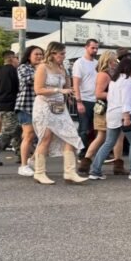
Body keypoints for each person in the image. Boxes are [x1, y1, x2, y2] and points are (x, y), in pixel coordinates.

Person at [32, 42, 88, 185]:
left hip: (60, 107)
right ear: (52, 53)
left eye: (64, 53)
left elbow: (67, 87)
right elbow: (38, 90)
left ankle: (70, 172)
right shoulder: (42, 67)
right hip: (44, 105)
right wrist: (58, 90)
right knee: (46, 138)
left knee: (71, 136)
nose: (64, 56)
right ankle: (39, 173)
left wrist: (71, 93)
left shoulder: (62, 68)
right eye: (61, 53)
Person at [89, 56, 131, 180]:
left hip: (112, 113)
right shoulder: (126, 80)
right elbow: (125, 99)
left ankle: (95, 170)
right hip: (123, 113)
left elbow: (110, 97)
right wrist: (126, 117)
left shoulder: (114, 80)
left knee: (108, 142)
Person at [78, 50, 124, 175]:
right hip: (105, 109)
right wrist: (115, 94)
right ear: (109, 61)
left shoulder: (108, 73)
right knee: (105, 136)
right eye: (115, 60)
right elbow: (98, 93)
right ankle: (87, 162)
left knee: (112, 136)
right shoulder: (104, 75)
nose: (116, 63)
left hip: (108, 108)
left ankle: (87, 162)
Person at [14, 45, 44, 176]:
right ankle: (23, 165)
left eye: (41, 54)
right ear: (29, 56)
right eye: (36, 54)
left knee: (44, 136)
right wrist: (40, 70)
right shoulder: (23, 67)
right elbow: (28, 79)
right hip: (26, 105)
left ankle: (31, 160)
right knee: (29, 135)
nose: (39, 57)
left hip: (41, 107)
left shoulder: (42, 68)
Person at [72, 38, 99, 156]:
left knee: (96, 127)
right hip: (84, 99)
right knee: (84, 128)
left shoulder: (96, 63)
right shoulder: (79, 63)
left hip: (96, 99)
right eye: (93, 48)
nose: (95, 50)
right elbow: (76, 83)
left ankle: (92, 151)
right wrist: (78, 101)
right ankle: (82, 152)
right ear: (86, 47)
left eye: (96, 48)